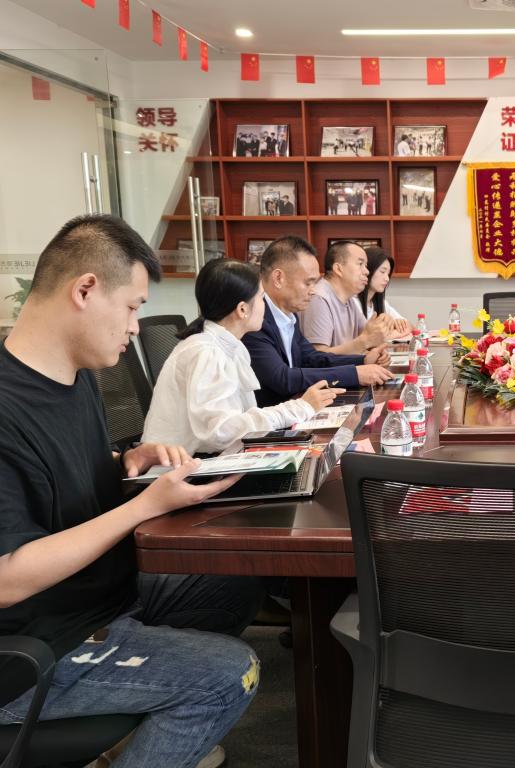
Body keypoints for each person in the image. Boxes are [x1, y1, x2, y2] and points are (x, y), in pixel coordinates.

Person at [0, 214, 261, 768]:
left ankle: (145, 719)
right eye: (132, 307)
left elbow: (56, 480)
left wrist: (124, 464)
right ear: (85, 290)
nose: (136, 327)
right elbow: (7, 578)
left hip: (101, 600)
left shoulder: (75, 378)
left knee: (240, 575)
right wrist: (144, 504)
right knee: (229, 674)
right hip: (38, 648)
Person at [143, 259, 341, 455]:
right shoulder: (206, 352)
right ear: (242, 309)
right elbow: (221, 432)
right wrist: (298, 408)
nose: (265, 305)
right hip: (185, 467)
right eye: (262, 298)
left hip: (211, 459)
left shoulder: (231, 346)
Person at [244, 235, 392, 407]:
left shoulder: (288, 314)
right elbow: (283, 378)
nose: (313, 291)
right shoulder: (255, 320)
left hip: (297, 408)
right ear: (278, 278)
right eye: (308, 283)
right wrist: (354, 374)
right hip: (272, 417)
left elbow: (312, 358)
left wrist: (362, 361)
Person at [299, 241, 393, 354]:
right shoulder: (319, 299)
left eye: (366, 266)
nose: (367, 271)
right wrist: (364, 342)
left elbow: (368, 336)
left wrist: (381, 327)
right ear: (338, 269)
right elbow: (319, 357)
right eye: (360, 264)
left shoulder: (349, 300)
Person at [357, 247, 411, 338]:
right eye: (382, 272)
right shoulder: (353, 302)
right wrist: (390, 333)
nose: (387, 279)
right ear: (367, 270)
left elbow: (409, 326)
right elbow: (365, 338)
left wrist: (397, 323)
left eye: (388, 274)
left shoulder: (381, 302)